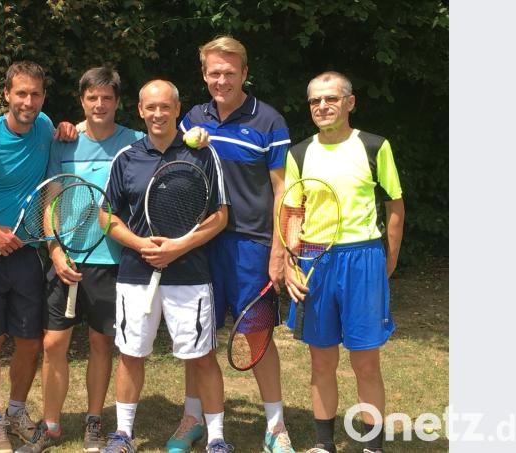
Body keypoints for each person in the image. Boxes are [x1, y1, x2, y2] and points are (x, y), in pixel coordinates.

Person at [173, 36, 295, 453]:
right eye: (213, 72)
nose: (220, 80)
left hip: (251, 244)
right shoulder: (192, 118)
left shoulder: (269, 121)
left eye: (229, 72)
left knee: (257, 335)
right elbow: (155, 145)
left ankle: (275, 427)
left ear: (244, 72)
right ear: (204, 74)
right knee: (198, 337)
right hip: (200, 243)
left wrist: (280, 250)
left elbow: (283, 191)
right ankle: (192, 418)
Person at [15, 67, 144, 453]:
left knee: (102, 343)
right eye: (92, 98)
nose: (99, 105)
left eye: (107, 98)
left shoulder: (135, 142)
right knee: (53, 343)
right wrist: (54, 250)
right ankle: (51, 425)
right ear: (82, 100)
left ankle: (93, 421)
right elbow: (50, 198)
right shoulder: (62, 142)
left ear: (118, 102)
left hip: (113, 260)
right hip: (65, 259)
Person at [101, 79, 231, 453]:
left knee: (202, 356)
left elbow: (220, 215)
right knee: (130, 354)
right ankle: (123, 434)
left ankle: (217, 437)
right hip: (136, 274)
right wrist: (141, 244)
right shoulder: (125, 157)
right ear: (140, 111)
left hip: (189, 273)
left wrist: (179, 247)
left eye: (165, 107)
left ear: (177, 110)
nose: (158, 114)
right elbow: (106, 216)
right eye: (150, 107)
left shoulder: (203, 154)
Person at [284, 71, 405, 453]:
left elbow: (395, 205)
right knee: (321, 362)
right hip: (315, 260)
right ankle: (324, 444)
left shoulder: (374, 146)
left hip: (364, 256)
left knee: (365, 363)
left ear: (349, 102)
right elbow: (292, 212)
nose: (322, 106)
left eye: (331, 98)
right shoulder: (299, 153)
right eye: (316, 101)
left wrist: (389, 260)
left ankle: (372, 446)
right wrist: (291, 261)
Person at [0, 60, 77, 453]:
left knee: (30, 344)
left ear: (43, 97)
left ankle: (15, 412)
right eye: (21, 93)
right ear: (7, 94)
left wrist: (66, 125)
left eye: (36, 94)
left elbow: (65, 133)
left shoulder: (46, 126)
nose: (28, 101)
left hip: (28, 255)